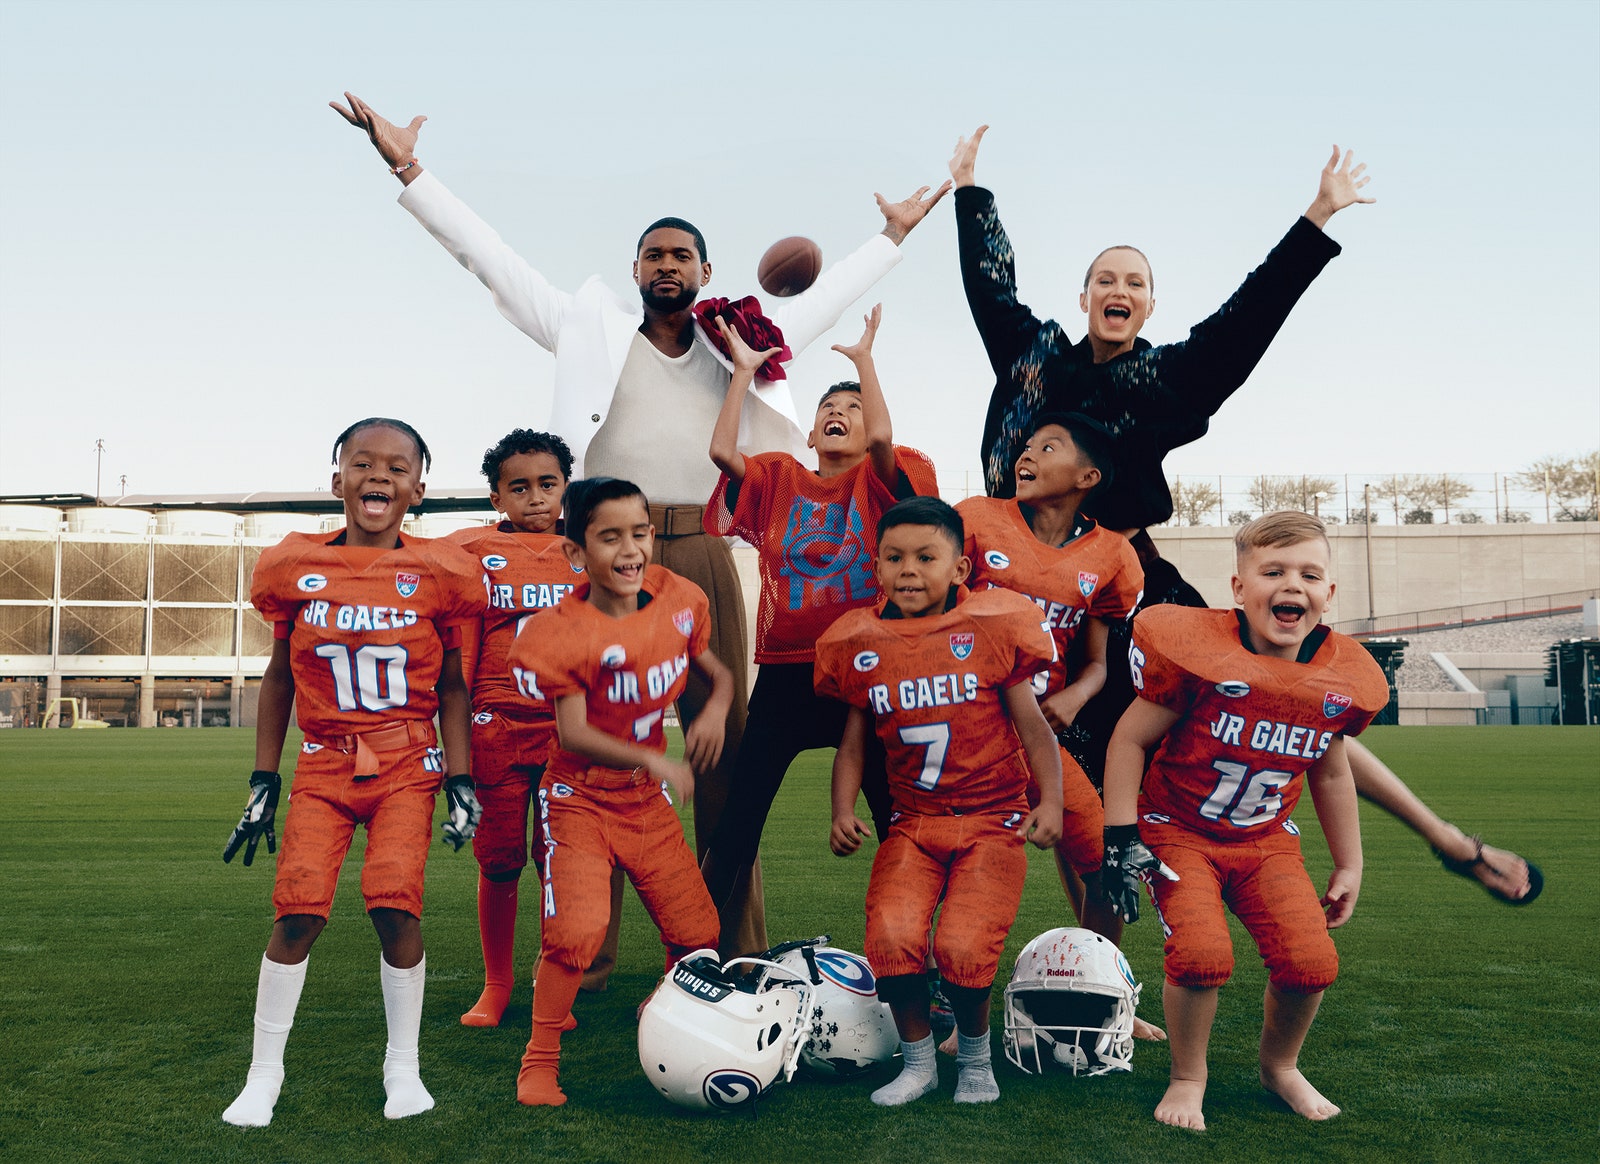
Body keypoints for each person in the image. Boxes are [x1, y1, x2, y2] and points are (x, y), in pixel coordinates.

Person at [332, 92, 951, 958]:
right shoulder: (587, 326)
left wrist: (894, 235)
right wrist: (409, 169)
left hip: (702, 546)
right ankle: (585, 951)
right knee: (596, 747)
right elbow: (491, 259)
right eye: (655, 254)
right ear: (634, 271)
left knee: (720, 749)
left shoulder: (744, 342)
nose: (669, 265)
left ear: (705, 271)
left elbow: (826, 299)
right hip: (605, 552)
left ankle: (728, 946)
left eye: (683, 255)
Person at [950, 126, 1540, 905]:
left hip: (1124, 588)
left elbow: (1243, 324)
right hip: (1015, 593)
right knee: (1068, 785)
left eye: (1134, 281)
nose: (1117, 289)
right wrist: (970, 192)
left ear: (1148, 304)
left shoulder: (1164, 380)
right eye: (1103, 278)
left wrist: (1315, 220)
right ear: (1085, 297)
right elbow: (991, 288)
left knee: (1286, 699)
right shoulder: (1031, 357)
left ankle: (1447, 839)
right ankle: (1095, 977)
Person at [220, 417, 486, 1127]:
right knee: (299, 908)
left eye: (397, 467)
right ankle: (263, 1074)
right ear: (336, 478)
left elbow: (454, 684)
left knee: (394, 903)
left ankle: (404, 1068)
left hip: (404, 760)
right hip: (323, 762)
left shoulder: (443, 570)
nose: (379, 477)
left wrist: (460, 777)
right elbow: (280, 677)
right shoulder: (290, 563)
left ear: (418, 489)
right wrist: (262, 780)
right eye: (362, 463)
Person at [1100, 512, 1390, 1130]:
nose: (1293, 585)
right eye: (1273, 571)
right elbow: (1127, 741)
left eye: (1310, 574)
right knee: (1202, 954)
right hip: (1178, 827)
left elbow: (1330, 772)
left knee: (1311, 962)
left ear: (1329, 594)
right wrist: (1121, 836)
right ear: (1238, 588)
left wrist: (1350, 862)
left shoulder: (1337, 679)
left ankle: (1280, 1065)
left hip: (1266, 840)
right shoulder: (1200, 654)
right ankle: (1189, 1076)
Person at [696, 306, 939, 948]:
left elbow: (885, 446)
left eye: (853, 410)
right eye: (829, 407)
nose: (839, 413)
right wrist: (743, 374)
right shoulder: (780, 477)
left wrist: (863, 363)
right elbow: (722, 451)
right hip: (785, 672)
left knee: (900, 826)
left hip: (870, 672)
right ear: (810, 431)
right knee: (738, 824)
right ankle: (684, 956)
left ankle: (918, 963)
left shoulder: (883, 475)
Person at [815, 497, 1064, 1107]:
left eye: (927, 557)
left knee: (961, 946)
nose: (909, 569)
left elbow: (1034, 728)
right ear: (875, 566)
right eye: (894, 557)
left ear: (959, 569)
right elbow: (853, 746)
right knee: (892, 938)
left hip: (990, 819)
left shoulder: (990, 626)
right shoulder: (860, 641)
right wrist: (842, 810)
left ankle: (977, 1061)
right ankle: (919, 1063)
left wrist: (1050, 800)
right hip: (914, 823)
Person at [504, 477, 731, 1107]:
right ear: (576, 554)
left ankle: (668, 1018)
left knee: (698, 931)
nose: (631, 549)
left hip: (641, 798)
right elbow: (573, 732)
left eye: (640, 532)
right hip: (579, 797)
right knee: (577, 933)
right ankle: (539, 1061)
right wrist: (659, 760)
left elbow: (716, 672)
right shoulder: (561, 629)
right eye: (610, 537)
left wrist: (714, 709)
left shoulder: (677, 598)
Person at [443, 429, 620, 1026]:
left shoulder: (590, 550)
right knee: (498, 859)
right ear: (496, 497)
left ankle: (554, 984)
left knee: (557, 861)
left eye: (548, 485)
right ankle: (496, 985)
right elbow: (461, 651)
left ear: (567, 489)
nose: (536, 498)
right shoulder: (471, 551)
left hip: (564, 728)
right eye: (518, 488)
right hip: (497, 721)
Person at [956, 415, 1139, 937]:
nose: (1026, 455)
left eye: (1048, 447)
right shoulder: (976, 520)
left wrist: (1075, 697)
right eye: (1027, 445)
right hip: (963, 733)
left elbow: (1100, 664)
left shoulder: (1111, 555)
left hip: (1036, 736)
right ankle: (937, 992)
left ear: (1087, 477)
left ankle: (1101, 991)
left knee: (1108, 866)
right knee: (953, 866)